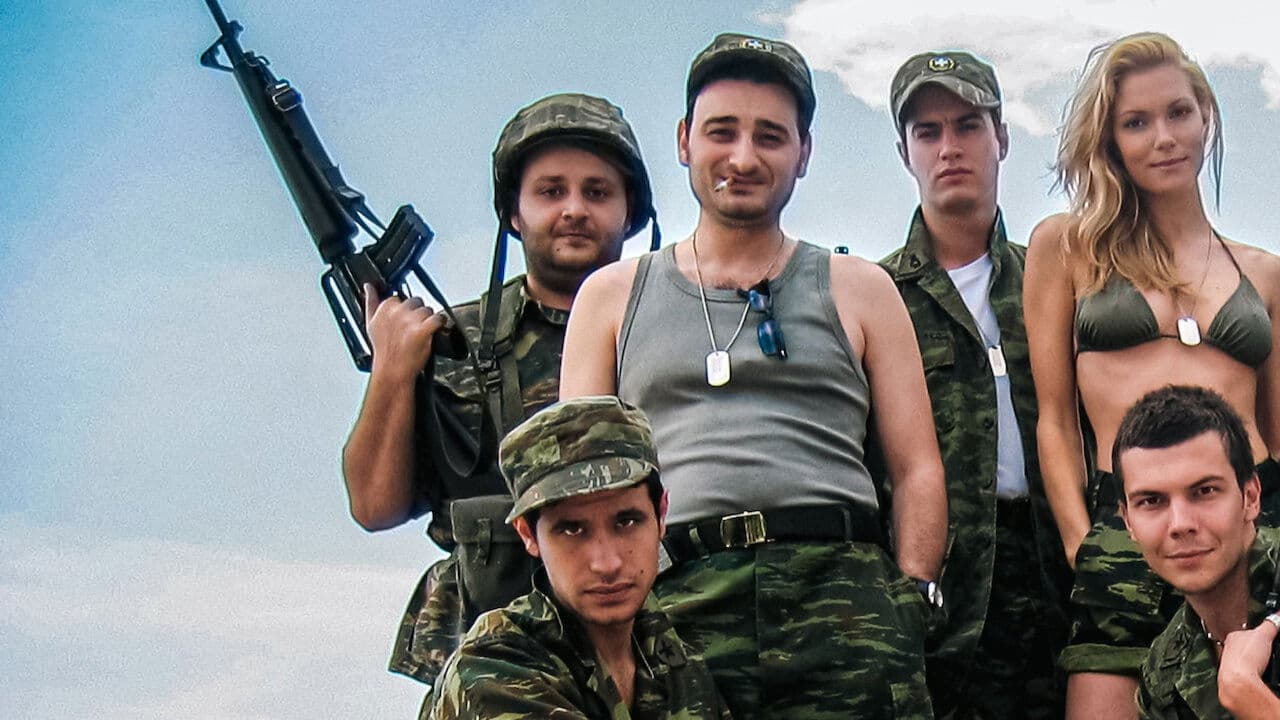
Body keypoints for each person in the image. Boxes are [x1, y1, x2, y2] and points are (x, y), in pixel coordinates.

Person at [561, 32, 946, 718]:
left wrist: (910, 599)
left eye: (770, 136)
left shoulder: (860, 288)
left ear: (804, 153)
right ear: (684, 141)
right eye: (721, 132)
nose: (743, 158)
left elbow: (917, 467)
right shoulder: (610, 298)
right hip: (674, 606)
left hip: (846, 604)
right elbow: (579, 483)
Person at [340, 93, 658, 685]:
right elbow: (374, 506)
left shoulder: (675, 328)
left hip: (654, 647)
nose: (574, 209)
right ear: (514, 212)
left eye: (597, 192)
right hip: (493, 662)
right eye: (550, 191)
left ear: (630, 211)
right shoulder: (452, 342)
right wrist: (393, 371)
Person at [1024, 32, 1280, 719]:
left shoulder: (1264, 272)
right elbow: (1055, 419)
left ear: (1206, 116)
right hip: (1125, 523)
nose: (1163, 137)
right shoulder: (1067, 247)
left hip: (1252, 526)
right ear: (1110, 141)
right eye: (1136, 122)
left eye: (1178, 113)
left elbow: (1277, 431)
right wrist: (1082, 542)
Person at [882, 50, 1071, 718]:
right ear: (905, 153)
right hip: (947, 599)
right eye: (927, 132)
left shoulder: (1058, 278)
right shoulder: (876, 297)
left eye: (968, 125)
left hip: (1060, 579)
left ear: (1003, 138)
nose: (949, 147)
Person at [426, 396, 731, 720]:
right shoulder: (494, 669)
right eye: (572, 530)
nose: (607, 563)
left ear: (661, 515)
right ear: (528, 534)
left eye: (627, 522)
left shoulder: (671, 657)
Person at [1110, 385, 1280, 719]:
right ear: (1128, 521)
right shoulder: (1165, 670)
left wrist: (1254, 700)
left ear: (1250, 497)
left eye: (1205, 491)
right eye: (1152, 501)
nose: (1180, 524)